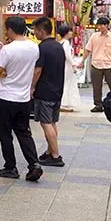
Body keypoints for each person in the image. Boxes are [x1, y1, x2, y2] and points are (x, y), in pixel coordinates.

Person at [0, 17, 43, 181]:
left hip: (6, 97)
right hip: (24, 99)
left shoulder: (8, 50)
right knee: (24, 132)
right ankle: (34, 164)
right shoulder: (34, 47)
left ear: (10, 29)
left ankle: (10, 167)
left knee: (5, 134)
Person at [32, 17, 66, 167]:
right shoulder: (58, 46)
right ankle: (49, 151)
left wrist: (32, 86)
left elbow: (38, 70)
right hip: (57, 90)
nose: (34, 33)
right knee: (51, 122)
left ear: (41, 31)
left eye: (35, 30)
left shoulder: (43, 48)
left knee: (46, 123)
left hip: (45, 90)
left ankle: (56, 156)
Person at [82, 17, 111, 113]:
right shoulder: (94, 36)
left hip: (109, 65)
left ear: (107, 25)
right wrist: (82, 61)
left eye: (101, 25)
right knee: (96, 87)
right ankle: (98, 105)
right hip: (96, 64)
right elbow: (88, 50)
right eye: (98, 25)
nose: (99, 27)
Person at [58, 23, 83, 112]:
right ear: (66, 33)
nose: (71, 33)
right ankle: (63, 103)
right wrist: (74, 65)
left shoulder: (60, 43)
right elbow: (68, 56)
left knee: (65, 84)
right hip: (67, 67)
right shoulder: (66, 43)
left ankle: (63, 102)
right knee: (67, 84)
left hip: (63, 66)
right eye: (69, 31)